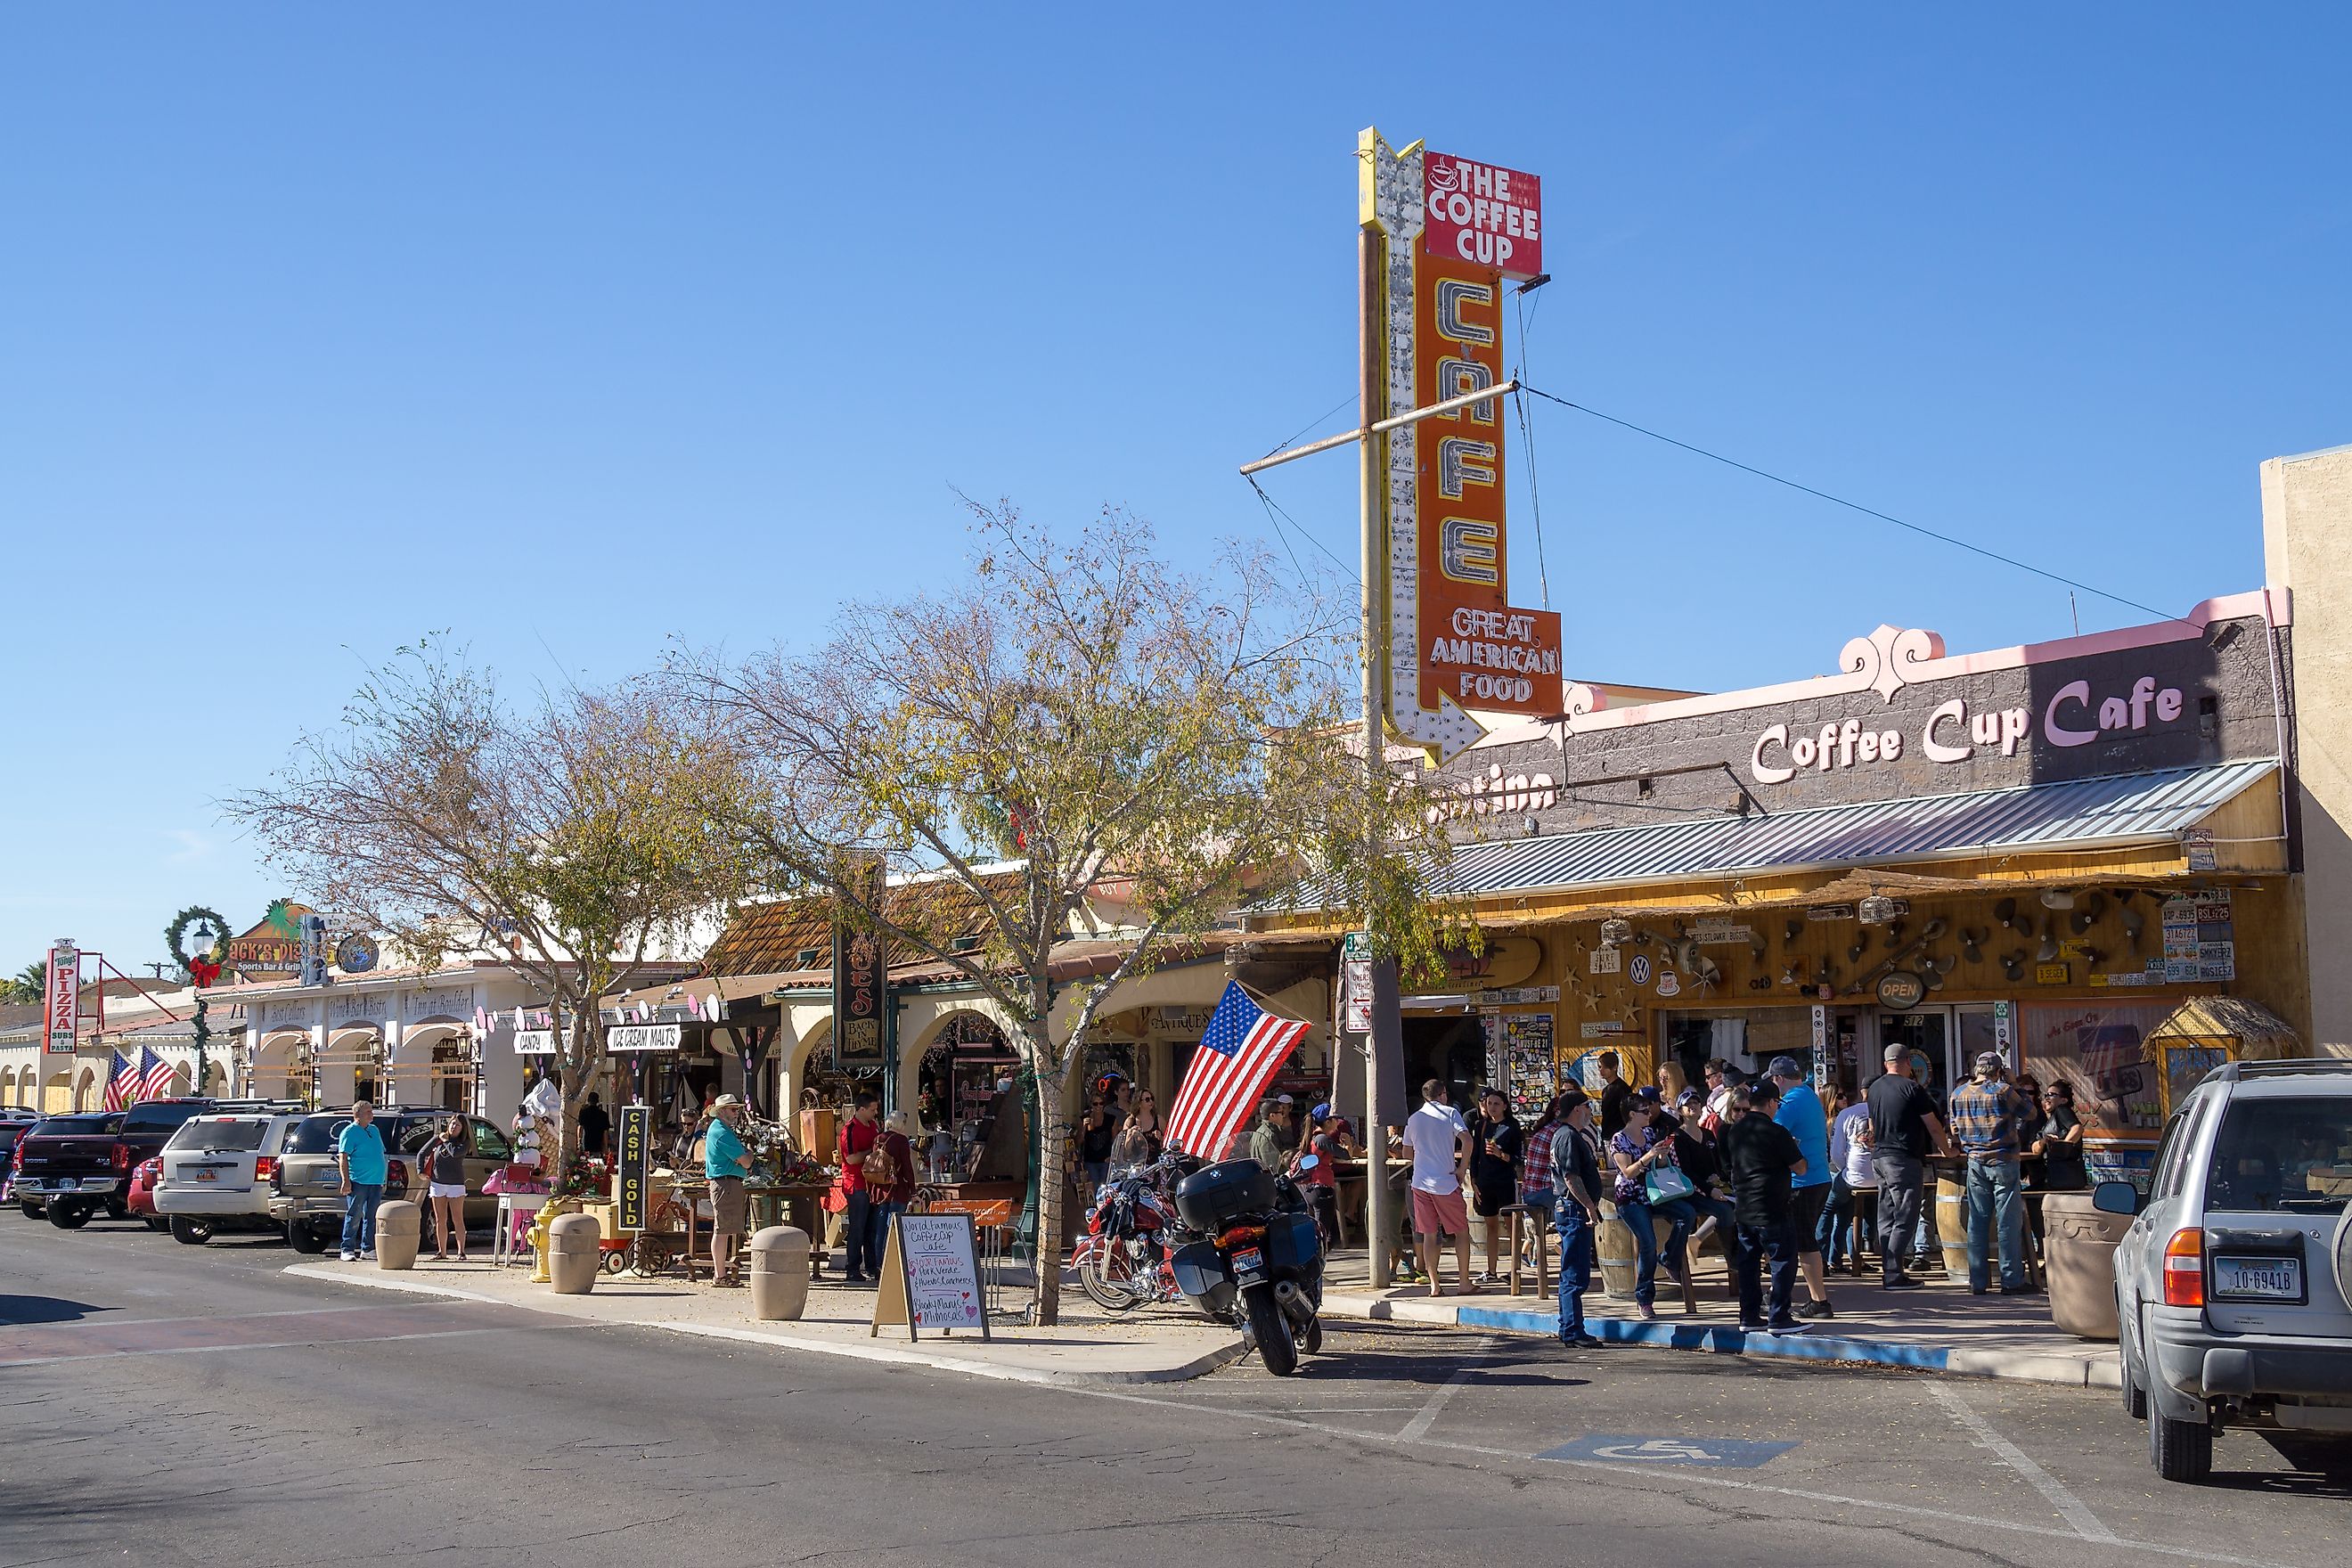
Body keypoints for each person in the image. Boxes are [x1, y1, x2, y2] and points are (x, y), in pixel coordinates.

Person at [1866, 1041, 1957, 1289]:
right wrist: (1947, 1150)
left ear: (1886, 1064)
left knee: (1886, 1215)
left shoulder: (1874, 1088)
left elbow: (1872, 1126)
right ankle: (1894, 1273)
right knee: (1906, 1215)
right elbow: (1933, 1125)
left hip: (1880, 1157)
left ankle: (1889, 1269)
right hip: (1903, 1158)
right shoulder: (1912, 1089)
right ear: (1908, 1062)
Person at [1720, 1080, 1808, 1333]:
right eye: (1776, 1104)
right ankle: (1779, 1316)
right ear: (1771, 1103)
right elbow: (1800, 1167)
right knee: (1782, 1260)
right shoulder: (1776, 1132)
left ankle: (1748, 1315)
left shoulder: (1735, 1131)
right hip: (1772, 1206)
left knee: (1748, 1262)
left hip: (1745, 1206)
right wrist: (1792, 1148)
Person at [1947, 1052, 2033, 1295]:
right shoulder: (2003, 1091)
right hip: (2004, 1159)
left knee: (1977, 1221)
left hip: (1974, 1161)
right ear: (1997, 1071)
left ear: (1976, 1070)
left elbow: (1953, 1128)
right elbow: (2030, 1113)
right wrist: (2015, 1084)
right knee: (2007, 1222)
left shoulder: (1958, 1093)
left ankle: (1978, 1281)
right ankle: (2011, 1280)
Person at [1768, 1057, 1837, 1321]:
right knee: (1794, 1240)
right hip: (1818, 1177)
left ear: (1778, 1079)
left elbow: (1771, 1132)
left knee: (1802, 1241)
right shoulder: (1808, 1095)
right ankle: (1778, 1291)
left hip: (1803, 1181)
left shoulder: (1792, 1101)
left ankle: (1819, 1301)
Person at [1608, 1097, 1690, 1320]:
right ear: (1632, 1114)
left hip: (1655, 1193)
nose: (1648, 1114)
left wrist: (1661, 1156)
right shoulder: (1619, 1139)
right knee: (1648, 1242)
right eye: (1643, 1111)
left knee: (1687, 1214)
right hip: (1631, 1197)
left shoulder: (1650, 1134)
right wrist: (1649, 1155)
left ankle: (1669, 1258)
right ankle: (1644, 1298)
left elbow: (1658, 1166)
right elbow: (1628, 1172)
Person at [1402, 1079, 1475, 1294]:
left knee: (1429, 1234)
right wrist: (1462, 1167)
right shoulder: (1450, 1113)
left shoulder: (1414, 1119)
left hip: (1420, 1182)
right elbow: (1467, 1140)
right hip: (1445, 1181)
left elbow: (1407, 1153)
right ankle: (1464, 1282)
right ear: (1443, 1094)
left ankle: (1434, 1284)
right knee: (1461, 1232)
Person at [1548, 1094, 1605, 1348]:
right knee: (1575, 1272)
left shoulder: (1565, 1135)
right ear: (1577, 1109)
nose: (1590, 1111)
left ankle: (1569, 1327)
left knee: (1573, 1271)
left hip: (1570, 1208)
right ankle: (1572, 1330)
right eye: (1587, 1106)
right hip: (1573, 1209)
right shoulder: (1568, 1136)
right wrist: (1589, 1206)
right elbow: (1571, 1176)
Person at [1464, 1088, 1523, 1282]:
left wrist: (1501, 1154)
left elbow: (1519, 1159)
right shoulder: (1481, 1125)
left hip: (1505, 1181)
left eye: (1496, 1104)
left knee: (1511, 1225)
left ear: (1505, 1106)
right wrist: (1473, 1178)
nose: (1492, 1107)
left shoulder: (1513, 1126)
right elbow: (1474, 1155)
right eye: (1489, 1103)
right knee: (1490, 1226)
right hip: (1485, 1181)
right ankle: (1491, 1270)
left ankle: (1515, 1270)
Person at [1825, 1088, 1877, 1277]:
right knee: (1848, 1215)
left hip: (1849, 1175)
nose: (1844, 1098)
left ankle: (1826, 1260)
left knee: (1830, 1211)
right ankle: (1851, 1258)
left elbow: (1836, 1154)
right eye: (1839, 1096)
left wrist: (1848, 1170)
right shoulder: (1884, 1109)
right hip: (1879, 1178)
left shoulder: (1846, 1115)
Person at [705, 1093, 754, 1286]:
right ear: (722, 1111)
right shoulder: (721, 1132)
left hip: (727, 1182)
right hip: (725, 1184)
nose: (736, 1113)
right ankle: (720, 1275)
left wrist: (742, 1157)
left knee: (724, 1229)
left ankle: (721, 1273)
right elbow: (747, 1161)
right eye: (733, 1110)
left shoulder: (721, 1129)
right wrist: (748, 1153)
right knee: (722, 1229)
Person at [837, 1091, 883, 1283]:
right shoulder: (850, 1130)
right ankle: (852, 1268)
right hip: (855, 1184)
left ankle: (872, 1267)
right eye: (872, 1109)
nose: (875, 1112)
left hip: (872, 1182)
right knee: (857, 1227)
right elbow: (850, 1158)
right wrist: (872, 1153)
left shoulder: (873, 1125)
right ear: (861, 1109)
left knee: (871, 1228)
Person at [336, 1100, 388, 1262]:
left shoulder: (374, 1130)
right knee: (354, 1214)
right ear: (357, 1115)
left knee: (371, 1216)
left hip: (375, 1181)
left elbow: (379, 1152)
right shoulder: (349, 1132)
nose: (371, 1114)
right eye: (368, 1112)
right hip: (358, 1180)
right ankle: (347, 1248)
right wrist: (346, 1181)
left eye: (371, 1111)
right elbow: (343, 1157)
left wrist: (383, 1178)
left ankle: (368, 1248)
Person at [870, 1109, 920, 1266]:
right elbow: (907, 1167)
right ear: (901, 1123)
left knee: (880, 1230)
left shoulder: (878, 1139)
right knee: (894, 1228)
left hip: (880, 1190)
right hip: (897, 1190)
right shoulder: (901, 1140)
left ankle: (879, 1265)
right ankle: (891, 1264)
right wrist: (914, 1191)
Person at [422, 1115, 471, 1262]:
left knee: (457, 1219)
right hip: (438, 1183)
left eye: (457, 1125)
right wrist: (421, 1171)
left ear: (462, 1129)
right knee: (440, 1219)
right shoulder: (439, 1139)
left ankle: (461, 1251)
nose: (453, 1127)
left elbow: (455, 1153)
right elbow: (422, 1152)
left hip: (455, 1184)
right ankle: (441, 1251)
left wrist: (445, 1140)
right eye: (452, 1123)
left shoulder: (464, 1143)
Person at [1299, 1107, 1343, 1248]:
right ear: (1328, 1121)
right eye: (1335, 1119)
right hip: (1322, 1189)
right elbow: (1345, 1154)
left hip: (1313, 1189)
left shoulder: (1313, 1137)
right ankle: (1314, 1261)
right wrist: (1347, 1141)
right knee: (1321, 1235)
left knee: (1332, 1235)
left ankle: (1319, 1259)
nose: (1338, 1122)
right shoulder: (1322, 1138)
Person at [1078, 1085, 1118, 1193]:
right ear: (1091, 1105)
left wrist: (1112, 1157)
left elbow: (1115, 1141)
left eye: (1101, 1103)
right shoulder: (1084, 1119)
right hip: (1090, 1160)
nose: (1098, 1107)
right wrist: (1083, 1128)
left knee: (1105, 1188)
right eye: (1095, 1104)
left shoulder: (1111, 1119)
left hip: (1106, 1160)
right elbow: (1079, 1141)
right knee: (1094, 1187)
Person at [1108, 1098, 1161, 1175]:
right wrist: (1131, 1134)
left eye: (1152, 1099)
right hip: (1136, 1166)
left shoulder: (1158, 1119)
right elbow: (1125, 1148)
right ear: (1139, 1103)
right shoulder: (1131, 1121)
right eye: (1147, 1099)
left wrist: (1161, 1137)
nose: (1151, 1102)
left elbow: (1168, 1141)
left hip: (1155, 1165)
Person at [1247, 1098, 1292, 1171]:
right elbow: (1273, 1167)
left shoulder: (1258, 1132)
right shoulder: (1270, 1135)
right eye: (1281, 1113)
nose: (1283, 1116)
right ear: (1272, 1115)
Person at [1595, 1051, 1632, 1139]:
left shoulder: (1623, 1088)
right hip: (1608, 1133)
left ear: (1614, 1067)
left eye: (1604, 1067)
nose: (1601, 1070)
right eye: (1599, 1067)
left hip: (1620, 1133)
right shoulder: (1606, 1090)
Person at [577, 1092, 610, 1162]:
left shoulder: (584, 1113)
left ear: (588, 1100)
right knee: (597, 1164)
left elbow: (580, 1128)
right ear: (598, 1101)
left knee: (585, 1164)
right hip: (598, 1142)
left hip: (586, 1142)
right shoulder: (603, 1115)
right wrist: (606, 1147)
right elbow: (605, 1132)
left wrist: (579, 1142)